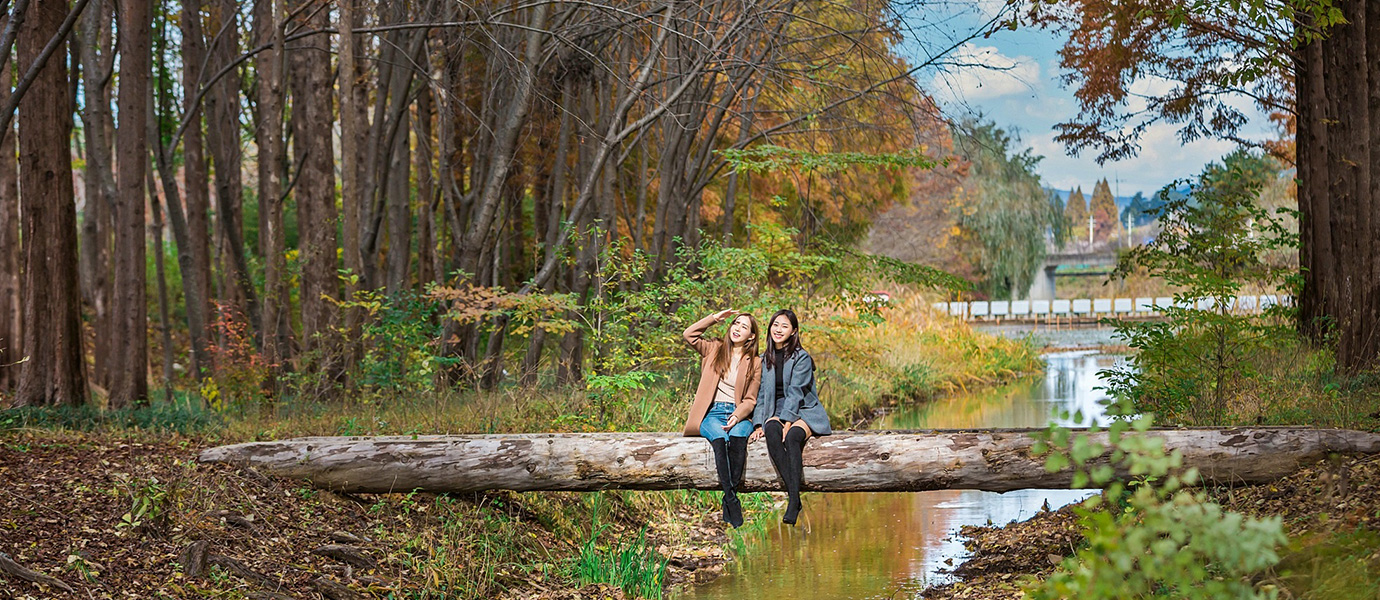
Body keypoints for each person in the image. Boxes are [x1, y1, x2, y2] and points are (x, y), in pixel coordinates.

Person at [750, 309, 830, 525]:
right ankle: (795, 496)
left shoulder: (801, 357)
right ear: (770, 327)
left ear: (794, 331)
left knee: (793, 437)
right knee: (772, 433)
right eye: (776, 324)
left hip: (804, 409)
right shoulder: (763, 359)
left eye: (785, 326)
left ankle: (793, 500)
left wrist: (788, 421)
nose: (779, 329)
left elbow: (796, 391)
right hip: (775, 410)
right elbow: (762, 395)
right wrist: (758, 424)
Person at [682, 308, 761, 528]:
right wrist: (714, 318)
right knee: (719, 440)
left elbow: (751, 399)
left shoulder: (754, 362)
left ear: (751, 336)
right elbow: (689, 334)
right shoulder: (714, 349)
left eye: (744, 327)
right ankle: (733, 499)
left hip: (738, 415)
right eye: (736, 323)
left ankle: (728, 497)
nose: (737, 328)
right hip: (713, 414)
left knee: (737, 440)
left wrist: (737, 415)